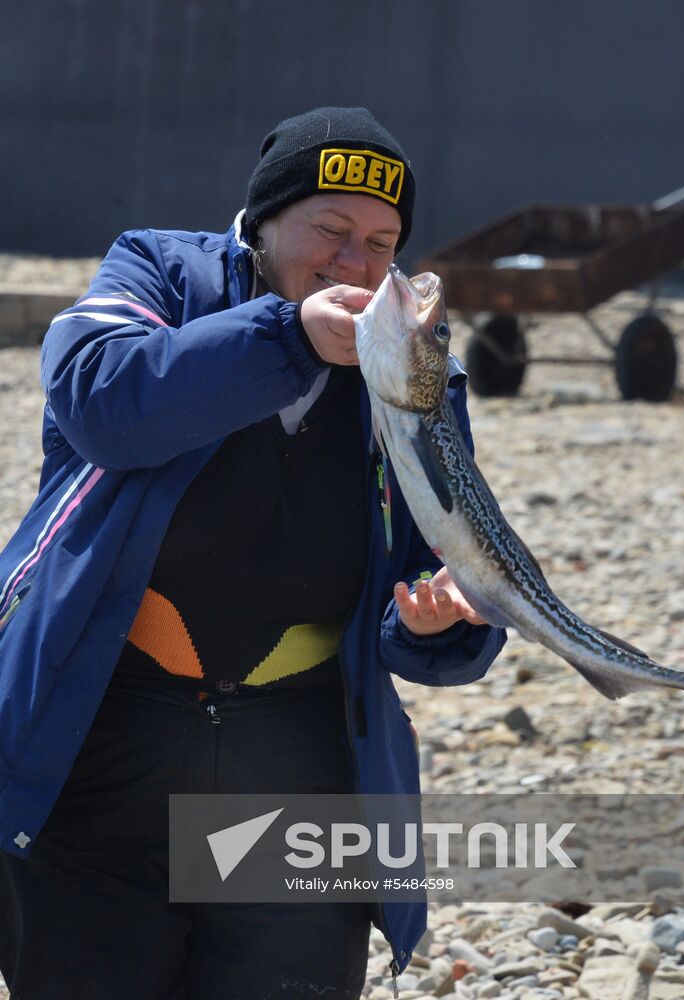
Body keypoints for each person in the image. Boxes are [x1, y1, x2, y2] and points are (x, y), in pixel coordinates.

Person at [0, 107, 506, 999]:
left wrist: (431, 624)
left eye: (383, 243)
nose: (356, 264)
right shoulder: (159, 271)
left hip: (301, 752)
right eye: (331, 230)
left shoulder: (411, 356)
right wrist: (286, 335)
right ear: (264, 220)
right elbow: (100, 404)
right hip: (101, 736)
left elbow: (436, 560)